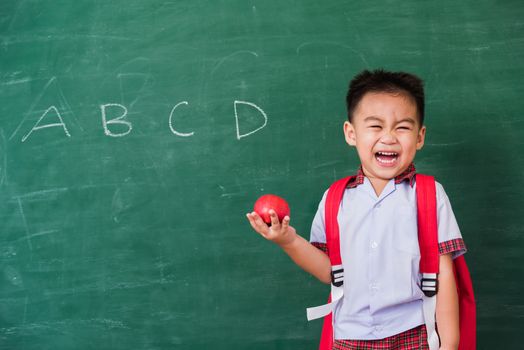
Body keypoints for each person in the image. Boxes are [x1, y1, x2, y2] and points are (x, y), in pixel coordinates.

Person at [246, 69, 466, 350]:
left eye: (402, 127)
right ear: (351, 133)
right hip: (349, 336)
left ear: (420, 137)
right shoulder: (335, 198)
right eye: (375, 126)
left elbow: (444, 275)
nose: (388, 137)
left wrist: (450, 345)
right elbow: (329, 271)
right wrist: (287, 240)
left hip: (415, 333)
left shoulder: (429, 194)